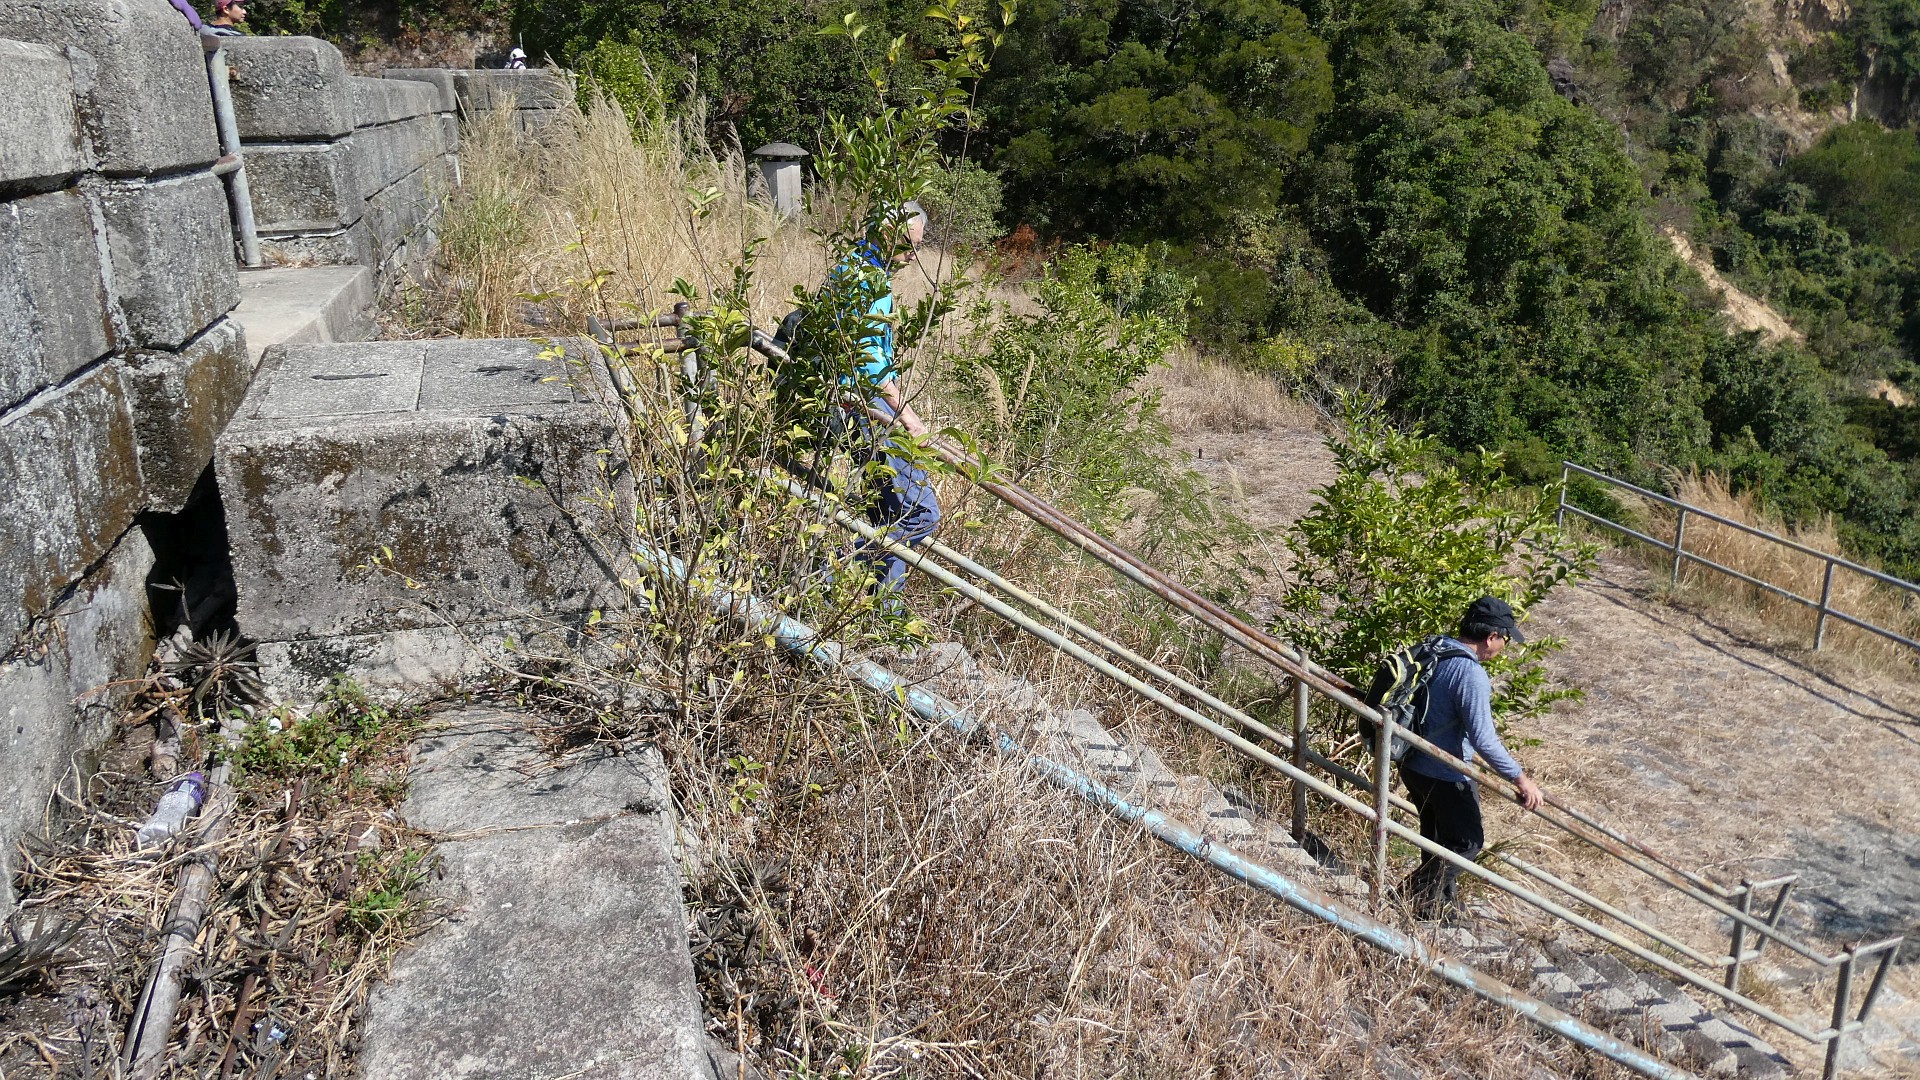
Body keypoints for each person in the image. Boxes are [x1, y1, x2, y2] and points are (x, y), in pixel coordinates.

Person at [1397, 596, 1546, 919]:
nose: (1504, 647)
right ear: (1491, 637)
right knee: (1467, 842)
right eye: (1505, 639)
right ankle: (1407, 896)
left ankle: (1437, 905)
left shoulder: (1436, 648)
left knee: (1436, 837)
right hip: (1445, 772)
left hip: (1412, 762)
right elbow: (1484, 741)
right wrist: (1521, 779)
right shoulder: (1470, 674)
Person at [838, 202, 939, 593]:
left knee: (890, 510)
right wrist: (909, 418)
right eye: (910, 245)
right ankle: (837, 576)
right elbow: (869, 363)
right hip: (866, 404)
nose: (913, 256)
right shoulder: (867, 278)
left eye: (918, 247)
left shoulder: (857, 268)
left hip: (856, 401)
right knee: (919, 512)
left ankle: (875, 608)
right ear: (886, 233)